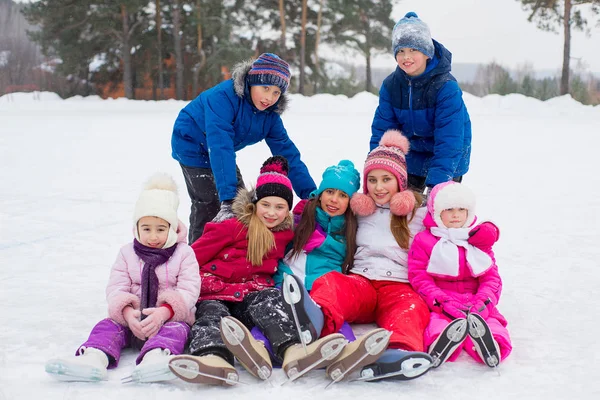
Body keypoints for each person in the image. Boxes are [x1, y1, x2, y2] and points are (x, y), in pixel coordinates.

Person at [167, 156, 347, 386]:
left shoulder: (286, 233)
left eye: (280, 207)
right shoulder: (233, 227)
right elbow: (190, 257)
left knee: (272, 302)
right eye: (266, 205)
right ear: (254, 204)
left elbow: (312, 215)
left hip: (252, 291)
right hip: (215, 289)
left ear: (287, 210)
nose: (272, 213)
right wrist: (171, 286)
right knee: (212, 316)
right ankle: (212, 357)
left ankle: (292, 350)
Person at [283, 130, 434, 382]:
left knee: (410, 309)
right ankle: (314, 319)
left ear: (401, 182)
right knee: (331, 283)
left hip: (398, 286)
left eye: (386, 179)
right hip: (362, 281)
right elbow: (326, 208)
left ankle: (397, 354)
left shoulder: (417, 214)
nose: (378, 187)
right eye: (372, 180)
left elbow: (450, 224)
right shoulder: (360, 210)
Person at [44, 174, 201, 383]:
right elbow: (117, 287)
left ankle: (156, 358)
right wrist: (127, 314)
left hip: (169, 318)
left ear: (172, 229)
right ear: (136, 228)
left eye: (161, 229)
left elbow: (189, 289)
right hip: (133, 319)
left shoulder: (184, 253)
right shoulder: (127, 253)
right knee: (107, 326)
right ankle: (93, 358)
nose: (153, 237)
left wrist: (165, 312)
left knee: (177, 330)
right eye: (146, 229)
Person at [171, 52, 316, 244]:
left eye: (276, 92)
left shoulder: (270, 116)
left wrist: (311, 195)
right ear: (251, 81)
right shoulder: (222, 98)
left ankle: (233, 253)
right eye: (265, 88)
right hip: (191, 143)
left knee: (243, 205)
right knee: (209, 202)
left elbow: (288, 153)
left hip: (222, 148)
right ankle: (197, 256)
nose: (269, 98)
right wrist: (228, 199)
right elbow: (220, 145)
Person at [408, 181, 512, 368]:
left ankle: (490, 345)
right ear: (436, 211)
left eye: (461, 209)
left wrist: (484, 302)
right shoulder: (424, 240)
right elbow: (419, 277)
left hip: (476, 300)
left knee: (490, 321)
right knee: (436, 322)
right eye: (449, 209)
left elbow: (491, 277)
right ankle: (442, 344)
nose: (456, 215)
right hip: (442, 302)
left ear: (469, 212)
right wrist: (441, 302)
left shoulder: (477, 239)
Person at [371, 11, 471, 197]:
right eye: (400, 51)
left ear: (427, 53)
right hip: (412, 155)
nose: (406, 57)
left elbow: (450, 139)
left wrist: (437, 186)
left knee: (439, 209)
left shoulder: (446, 88)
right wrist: (378, 170)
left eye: (413, 50)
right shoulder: (391, 86)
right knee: (405, 210)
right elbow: (382, 132)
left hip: (449, 156)